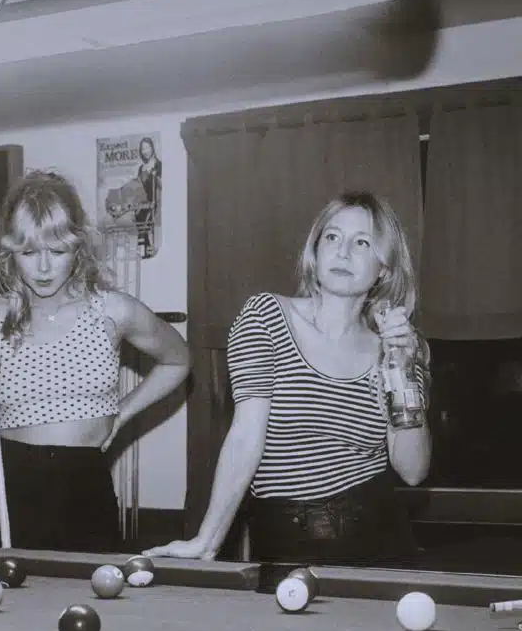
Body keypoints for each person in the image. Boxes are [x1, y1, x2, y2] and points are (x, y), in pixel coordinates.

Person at [145, 191, 430, 566]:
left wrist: (402, 372)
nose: (342, 252)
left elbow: (412, 471)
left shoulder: (396, 349)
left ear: (384, 268)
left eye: (362, 242)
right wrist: (207, 541)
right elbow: (245, 437)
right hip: (288, 539)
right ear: (315, 252)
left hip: (380, 540)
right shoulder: (266, 316)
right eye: (332, 237)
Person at [0, 169, 190, 552]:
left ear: (79, 246)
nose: (44, 268)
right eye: (29, 253)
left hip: (86, 491)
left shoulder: (112, 311)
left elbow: (178, 360)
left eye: (57, 251)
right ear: (10, 251)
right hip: (9, 492)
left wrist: (122, 413)